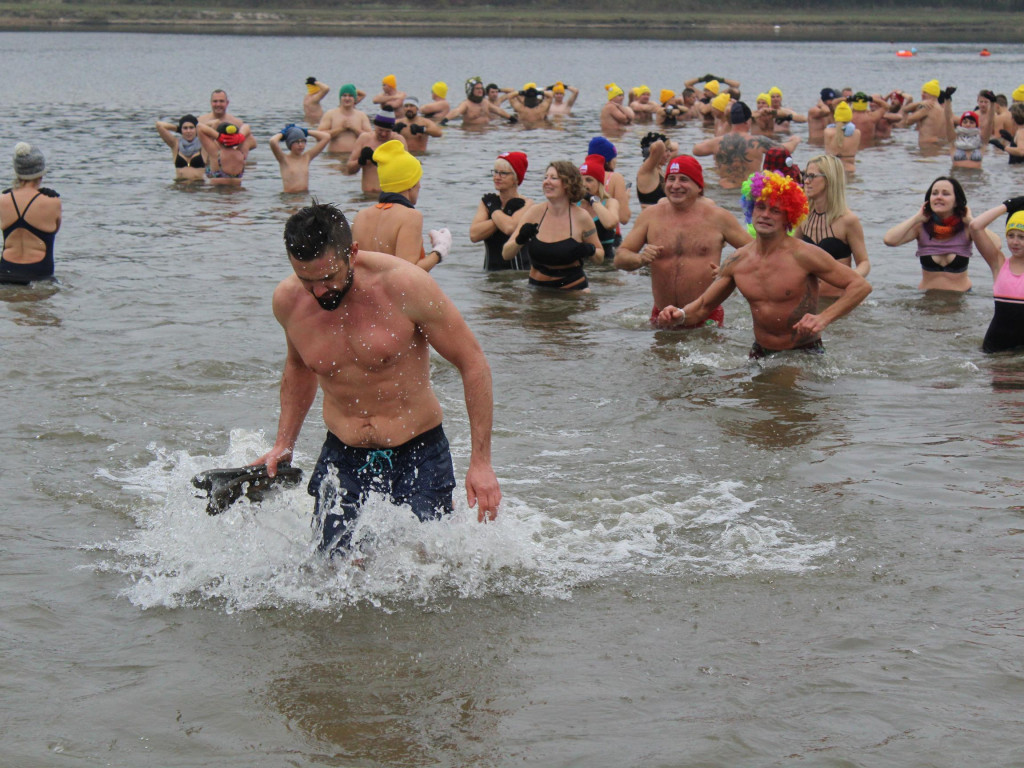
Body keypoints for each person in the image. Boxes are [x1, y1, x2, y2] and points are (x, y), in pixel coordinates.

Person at [253, 201, 500, 554]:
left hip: (418, 453)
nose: (319, 291)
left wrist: (481, 463)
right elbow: (299, 368)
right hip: (342, 456)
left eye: (328, 277)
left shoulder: (405, 285)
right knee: (330, 569)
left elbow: (473, 362)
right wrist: (284, 443)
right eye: (307, 280)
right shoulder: (288, 301)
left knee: (424, 569)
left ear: (352, 252)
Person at [656, 171, 871, 359]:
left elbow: (860, 286)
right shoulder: (738, 260)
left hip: (803, 353)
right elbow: (703, 306)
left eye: (775, 211)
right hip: (760, 353)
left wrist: (823, 318)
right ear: (751, 210)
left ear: (788, 217)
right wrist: (679, 315)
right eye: (760, 207)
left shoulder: (804, 255)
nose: (766, 215)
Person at [614, 154, 750, 328]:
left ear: (698, 186)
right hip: (662, 315)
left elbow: (757, 252)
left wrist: (731, 269)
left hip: (706, 316)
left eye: (684, 179)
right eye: (671, 179)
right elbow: (620, 258)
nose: (675, 185)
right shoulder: (650, 216)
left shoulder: (718, 218)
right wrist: (640, 259)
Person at [502, 161, 603, 291]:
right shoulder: (534, 212)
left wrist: (589, 249)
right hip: (536, 291)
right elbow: (506, 254)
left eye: (553, 178)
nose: (547, 182)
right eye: (545, 177)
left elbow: (600, 257)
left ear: (568, 184)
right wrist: (520, 239)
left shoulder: (581, 217)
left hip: (572, 292)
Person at [350, 140, 448, 272]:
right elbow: (407, 272)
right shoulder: (410, 216)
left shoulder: (360, 216)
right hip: (393, 286)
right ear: (410, 184)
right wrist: (439, 251)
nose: (420, 186)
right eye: (418, 180)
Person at [883, 176, 984, 293]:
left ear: (956, 201)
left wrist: (971, 221)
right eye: (934, 193)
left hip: (961, 297)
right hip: (927, 298)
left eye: (945, 194)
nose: (939, 197)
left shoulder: (967, 227)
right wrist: (916, 218)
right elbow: (889, 240)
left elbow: (996, 245)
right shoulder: (921, 227)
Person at [795, 155, 871, 301]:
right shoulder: (803, 216)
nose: (806, 181)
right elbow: (790, 254)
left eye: (812, 176)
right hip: (808, 300)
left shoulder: (848, 220)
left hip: (837, 301)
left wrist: (850, 279)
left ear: (829, 179)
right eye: (804, 175)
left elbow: (864, 263)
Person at [693, 101, 800, 189]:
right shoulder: (759, 141)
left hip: (723, 190)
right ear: (748, 121)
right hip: (748, 191)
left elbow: (696, 150)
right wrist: (795, 140)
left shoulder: (717, 142)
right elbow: (785, 150)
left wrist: (711, 141)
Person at [0, 142, 61, 285]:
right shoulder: (53, 202)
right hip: (38, 273)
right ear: (41, 172)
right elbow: (55, 229)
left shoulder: (2, 200)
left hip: (5, 272)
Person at [969, 196, 1024, 352]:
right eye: (1011, 235)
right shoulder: (998, 264)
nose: (1015, 242)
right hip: (995, 347)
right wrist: (1007, 205)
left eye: (1022, 237)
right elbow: (975, 226)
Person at [469, 150, 533, 271]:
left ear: (516, 178)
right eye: (495, 172)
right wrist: (504, 212)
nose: (497, 177)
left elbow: (509, 228)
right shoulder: (487, 203)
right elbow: (474, 235)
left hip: (519, 275)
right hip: (490, 275)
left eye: (503, 173)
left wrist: (494, 211)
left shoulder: (527, 204)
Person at [345, 114, 408, 195]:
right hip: (367, 196)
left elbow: (406, 170)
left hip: (390, 196)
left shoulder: (398, 141)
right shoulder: (364, 138)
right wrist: (361, 161)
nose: (383, 134)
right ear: (375, 126)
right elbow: (349, 170)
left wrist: (380, 159)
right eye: (380, 130)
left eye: (388, 131)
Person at [577, 154, 620, 262]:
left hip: (605, 266)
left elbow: (610, 223)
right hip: (581, 264)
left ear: (599, 183)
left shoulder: (610, 203)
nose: (583, 184)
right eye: (580, 180)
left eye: (589, 180)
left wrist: (592, 200)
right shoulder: (573, 205)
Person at [269, 124, 330, 194]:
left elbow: (326, 137)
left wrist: (305, 131)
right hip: (289, 197)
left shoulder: (307, 157)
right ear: (290, 144)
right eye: (297, 142)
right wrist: (282, 134)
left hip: (305, 196)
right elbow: (273, 141)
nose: (300, 145)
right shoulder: (284, 159)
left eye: (303, 141)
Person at [587, 136, 631, 225]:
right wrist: (626, 198)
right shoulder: (615, 178)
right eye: (615, 157)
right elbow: (624, 218)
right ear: (608, 160)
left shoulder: (581, 176)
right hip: (607, 232)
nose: (616, 161)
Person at [318, 84, 372, 155]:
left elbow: (370, 138)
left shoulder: (361, 115)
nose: (347, 98)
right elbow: (319, 137)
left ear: (355, 98)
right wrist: (340, 129)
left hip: (354, 157)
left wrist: (354, 129)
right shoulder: (330, 114)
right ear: (340, 98)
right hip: (333, 157)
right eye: (344, 95)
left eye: (350, 96)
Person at [904, 79, 956, 149]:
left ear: (931, 93)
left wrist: (919, 104)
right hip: (940, 147)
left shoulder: (927, 107)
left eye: (925, 92)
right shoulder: (943, 110)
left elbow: (907, 121)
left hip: (927, 146)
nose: (922, 95)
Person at [197, 122, 251, 186]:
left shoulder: (215, 153)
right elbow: (247, 126)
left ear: (218, 140)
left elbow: (199, 127)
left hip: (217, 191)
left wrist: (219, 137)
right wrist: (239, 137)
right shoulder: (242, 152)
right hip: (237, 190)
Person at [154, 114, 205, 182]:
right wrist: (178, 129)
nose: (188, 131)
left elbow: (215, 123)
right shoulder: (175, 144)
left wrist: (200, 129)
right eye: (185, 128)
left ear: (196, 129)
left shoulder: (204, 145)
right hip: (179, 186)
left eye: (191, 128)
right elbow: (159, 125)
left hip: (199, 186)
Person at [442, 79, 513, 128]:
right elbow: (456, 112)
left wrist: (512, 119)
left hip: (486, 132)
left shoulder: (485, 102)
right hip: (472, 133)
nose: (480, 90)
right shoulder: (466, 104)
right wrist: (444, 121)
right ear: (471, 90)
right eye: (477, 89)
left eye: (481, 88)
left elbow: (498, 111)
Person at [636, 133, 677, 208]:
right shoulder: (647, 171)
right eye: (666, 150)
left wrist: (667, 144)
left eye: (669, 150)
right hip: (649, 215)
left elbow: (676, 147)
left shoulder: (659, 169)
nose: (669, 154)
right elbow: (659, 145)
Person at [823, 101, 861, 173]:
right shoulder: (857, 133)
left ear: (836, 116)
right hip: (850, 168)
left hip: (832, 169)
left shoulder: (827, 132)